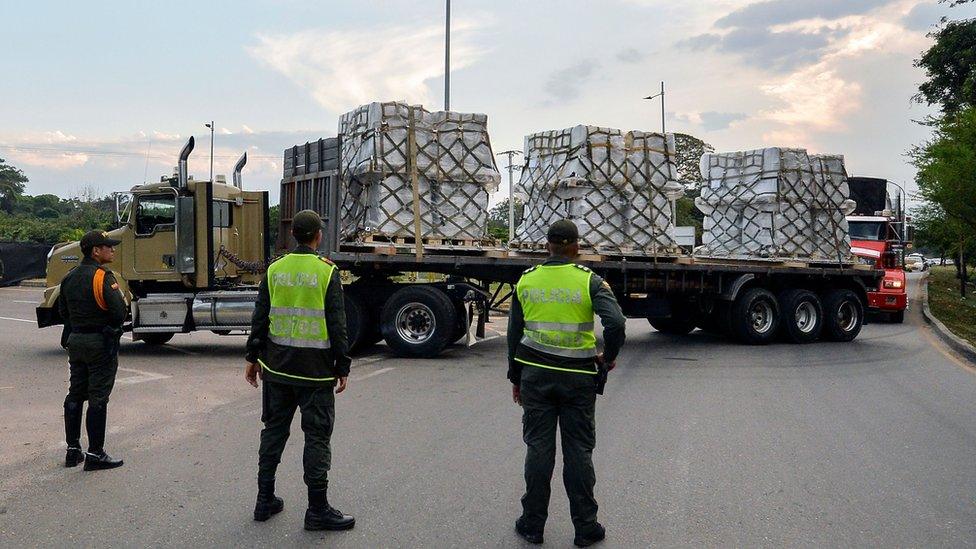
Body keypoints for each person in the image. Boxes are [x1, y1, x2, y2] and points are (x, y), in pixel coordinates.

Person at [508, 219, 627, 547]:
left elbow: (513, 336)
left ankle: (532, 525)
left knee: (538, 448)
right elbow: (616, 322)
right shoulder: (590, 281)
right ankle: (585, 527)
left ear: (548, 245)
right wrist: (609, 355)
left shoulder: (526, 281)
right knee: (578, 450)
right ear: (576, 247)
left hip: (535, 375)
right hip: (578, 379)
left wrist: (515, 377)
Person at [244, 209, 355, 531]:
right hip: (316, 373)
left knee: (273, 432)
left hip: (276, 369)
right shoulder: (325, 272)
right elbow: (338, 324)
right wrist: (343, 364)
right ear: (318, 235)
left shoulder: (275, 269)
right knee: (317, 438)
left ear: (293, 235)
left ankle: (264, 500)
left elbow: (260, 316)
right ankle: (317, 509)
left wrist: (252, 357)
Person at [58, 230, 127, 471]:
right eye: (108, 246)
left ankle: (72, 450)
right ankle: (95, 454)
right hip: (100, 342)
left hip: (76, 340)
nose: (112, 250)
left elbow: (62, 311)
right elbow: (119, 312)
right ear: (95, 251)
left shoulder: (70, 276)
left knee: (75, 393)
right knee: (98, 398)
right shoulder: (102, 276)